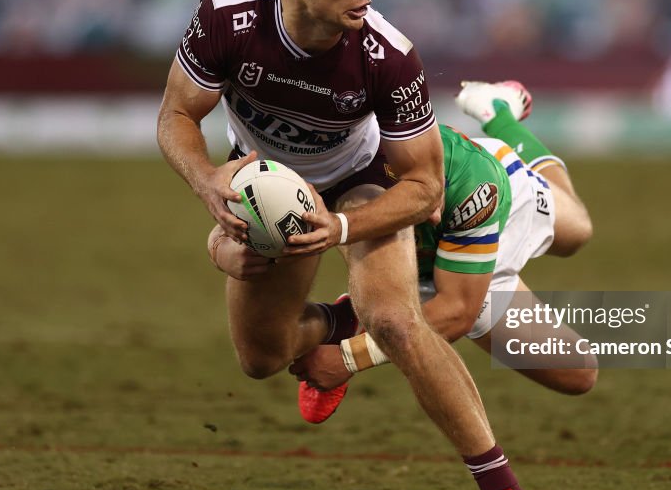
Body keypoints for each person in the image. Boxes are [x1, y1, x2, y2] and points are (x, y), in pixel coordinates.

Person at [157, 0, 545, 490]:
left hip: (364, 182)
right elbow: (176, 115)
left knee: (395, 319)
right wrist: (207, 183)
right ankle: (313, 313)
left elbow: (425, 188)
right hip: (266, 186)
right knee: (261, 358)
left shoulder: (388, 56)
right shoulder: (227, 17)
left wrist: (338, 230)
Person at [212, 80, 598, 416]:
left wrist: (349, 359)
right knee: (577, 371)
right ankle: (353, 315)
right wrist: (221, 249)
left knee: (578, 231)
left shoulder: (472, 183)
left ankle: (498, 112)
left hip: (488, 223)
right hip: (426, 268)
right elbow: (254, 212)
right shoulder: (336, 166)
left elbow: (456, 312)